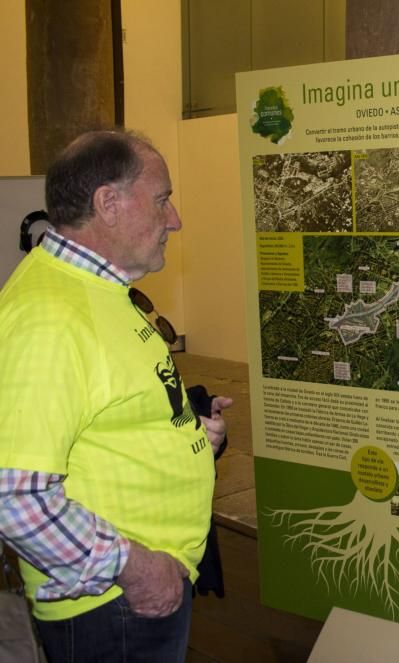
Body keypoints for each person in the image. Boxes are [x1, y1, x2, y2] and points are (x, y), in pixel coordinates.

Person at [0, 130, 233, 662]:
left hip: (131, 594)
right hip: (113, 603)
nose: (173, 219)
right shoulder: (50, 317)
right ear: (108, 203)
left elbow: (112, 410)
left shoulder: (101, 292)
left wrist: (189, 437)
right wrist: (133, 567)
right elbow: (14, 495)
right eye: (161, 199)